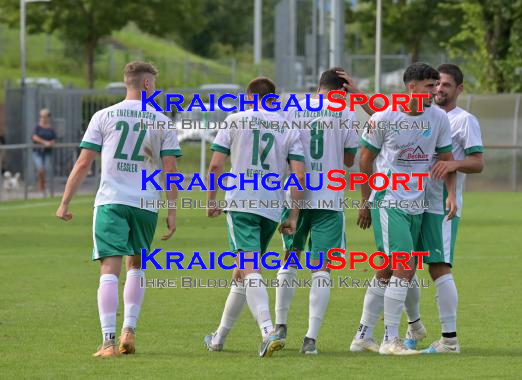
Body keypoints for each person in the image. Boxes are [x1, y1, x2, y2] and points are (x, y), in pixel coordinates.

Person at [56, 61, 181, 358]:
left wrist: (65, 202)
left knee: (109, 269)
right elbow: (171, 169)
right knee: (136, 264)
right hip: (146, 203)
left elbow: (84, 162)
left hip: (112, 200)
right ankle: (129, 330)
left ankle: (108, 341)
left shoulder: (104, 115)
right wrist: (172, 210)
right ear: (147, 84)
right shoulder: (162, 121)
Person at [350, 62, 457, 355]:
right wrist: (365, 200)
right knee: (405, 267)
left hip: (419, 204)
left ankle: (362, 336)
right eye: (429, 86)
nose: (435, 92)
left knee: (385, 269)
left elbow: (446, 160)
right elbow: (364, 160)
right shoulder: (385, 117)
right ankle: (390, 340)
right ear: (411, 87)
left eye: (437, 86)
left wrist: (451, 195)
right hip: (388, 200)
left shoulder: (438, 118)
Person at [203, 77, 306, 357]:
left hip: (241, 203)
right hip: (271, 208)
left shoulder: (235, 119)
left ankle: (267, 330)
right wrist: (294, 215)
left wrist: (211, 199)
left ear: (249, 97)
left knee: (249, 268)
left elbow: (215, 165)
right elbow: (298, 175)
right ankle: (218, 338)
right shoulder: (288, 126)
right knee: (242, 272)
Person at [270, 67, 359, 355]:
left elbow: (281, 151)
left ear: (318, 85)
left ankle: (280, 325)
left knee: (290, 257)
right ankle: (310, 339)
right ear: (342, 89)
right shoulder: (346, 112)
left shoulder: (293, 109)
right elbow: (348, 160)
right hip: (329, 198)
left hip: (295, 195)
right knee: (321, 266)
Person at [401, 63, 484, 354]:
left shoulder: (464, 121)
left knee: (439, 267)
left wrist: (453, 164)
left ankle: (449, 340)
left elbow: (478, 162)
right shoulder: (424, 114)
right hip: (411, 203)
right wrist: (360, 94)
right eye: (436, 84)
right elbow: (387, 121)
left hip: (441, 208)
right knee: (404, 267)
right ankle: (414, 326)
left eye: (446, 85)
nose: (439, 89)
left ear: (459, 89)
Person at [32, 108, 57, 193]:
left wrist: (50, 143)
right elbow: (34, 137)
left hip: (47, 152)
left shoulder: (51, 129)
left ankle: (42, 186)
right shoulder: (37, 127)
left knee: (44, 170)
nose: (43, 118)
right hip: (38, 152)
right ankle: (41, 186)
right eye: (41, 116)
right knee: (40, 169)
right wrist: (44, 142)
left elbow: (54, 139)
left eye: (45, 116)